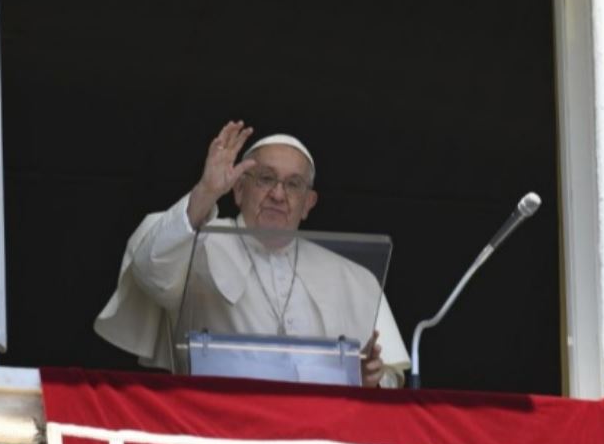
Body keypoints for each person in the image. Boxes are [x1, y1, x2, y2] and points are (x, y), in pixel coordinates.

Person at [95, 121, 410, 387]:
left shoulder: (352, 276)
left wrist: (369, 380)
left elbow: (390, 378)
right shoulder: (196, 241)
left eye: (293, 184)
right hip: (217, 427)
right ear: (239, 189)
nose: (278, 194)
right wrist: (205, 191)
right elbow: (153, 274)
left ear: (309, 203)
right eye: (266, 178)